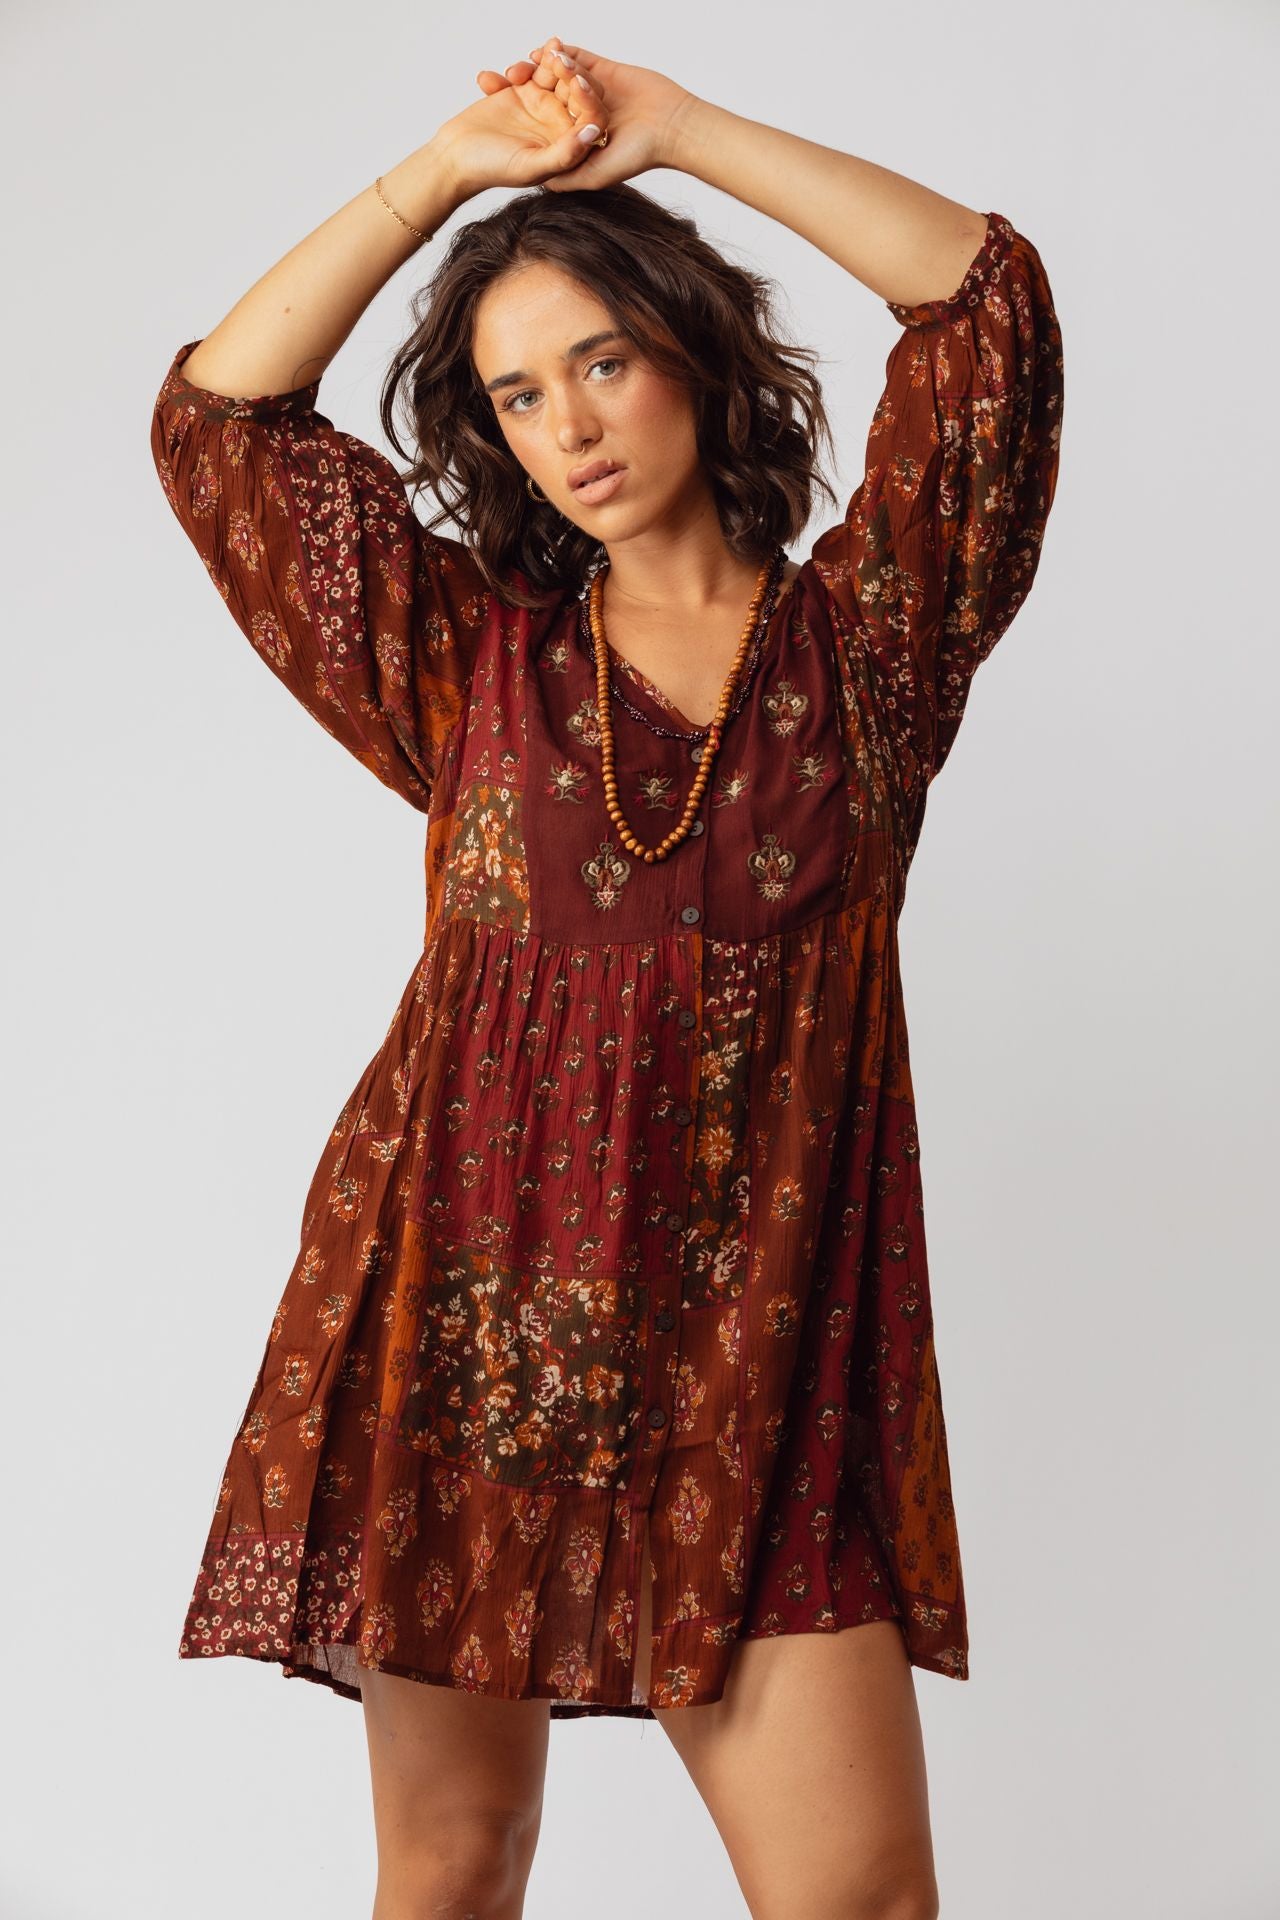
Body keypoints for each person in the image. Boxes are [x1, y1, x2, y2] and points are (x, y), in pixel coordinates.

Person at [150, 35, 1063, 1920]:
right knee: (453, 1867)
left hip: (764, 1373)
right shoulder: (463, 665)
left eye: (602, 360)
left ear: (694, 358)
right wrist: (445, 173)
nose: (567, 424)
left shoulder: (870, 649)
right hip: (465, 1331)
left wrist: (685, 132)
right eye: (516, 393)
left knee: (861, 1897)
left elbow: (985, 305)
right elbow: (222, 421)